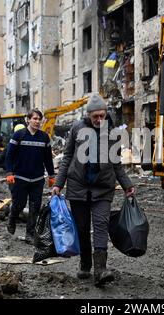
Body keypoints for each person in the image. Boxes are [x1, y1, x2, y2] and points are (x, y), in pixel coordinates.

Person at [52, 93, 135, 287]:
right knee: (81, 228)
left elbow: (116, 163)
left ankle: (100, 270)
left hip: (103, 188)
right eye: (95, 116)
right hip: (78, 187)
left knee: (100, 225)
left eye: (102, 116)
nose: (99, 119)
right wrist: (58, 183)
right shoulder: (76, 128)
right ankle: (86, 263)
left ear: (106, 114)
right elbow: (67, 157)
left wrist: (127, 185)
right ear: (88, 115)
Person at [5, 109, 56, 245]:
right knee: (19, 204)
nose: (37, 121)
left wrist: (51, 175)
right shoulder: (18, 135)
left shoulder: (44, 137)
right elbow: (9, 156)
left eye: (39, 119)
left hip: (37, 179)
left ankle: (30, 234)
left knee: (35, 208)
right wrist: (9, 173)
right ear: (28, 120)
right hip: (20, 177)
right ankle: (12, 217)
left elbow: (47, 159)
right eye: (34, 118)